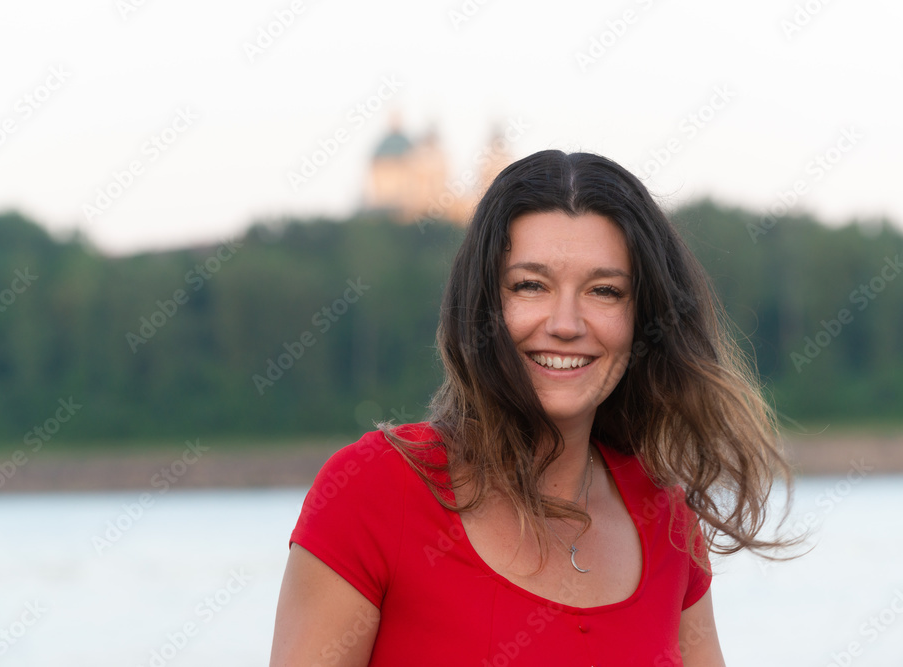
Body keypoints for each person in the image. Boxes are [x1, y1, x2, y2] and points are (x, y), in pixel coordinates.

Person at [270, 150, 794, 666]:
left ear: (642, 320)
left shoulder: (667, 520)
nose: (566, 323)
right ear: (483, 305)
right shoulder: (373, 491)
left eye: (605, 291)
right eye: (530, 286)